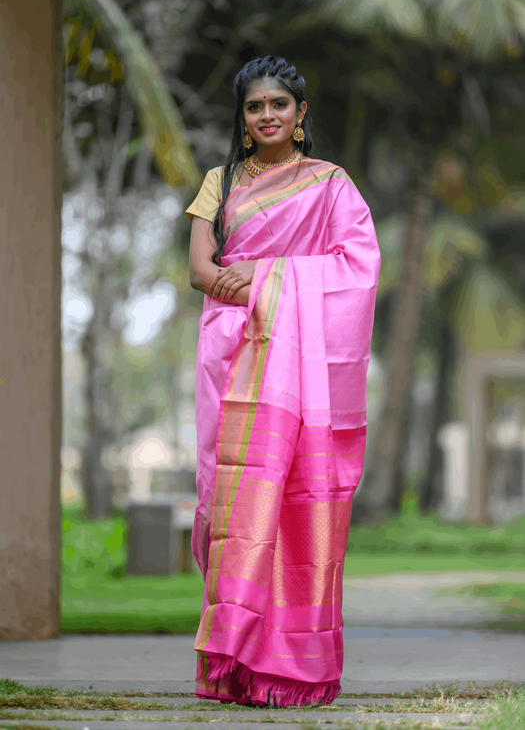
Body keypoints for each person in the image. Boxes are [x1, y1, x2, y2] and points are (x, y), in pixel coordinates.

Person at [186, 55, 380, 706]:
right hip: (231, 347)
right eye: (253, 106)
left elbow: (356, 265)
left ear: (299, 118)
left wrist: (268, 281)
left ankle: (288, 665)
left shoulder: (329, 185)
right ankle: (233, 662)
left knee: (295, 493)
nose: (266, 115)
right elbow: (198, 268)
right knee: (230, 495)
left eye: (278, 105)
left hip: (294, 356)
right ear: (242, 121)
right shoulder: (219, 181)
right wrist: (246, 285)